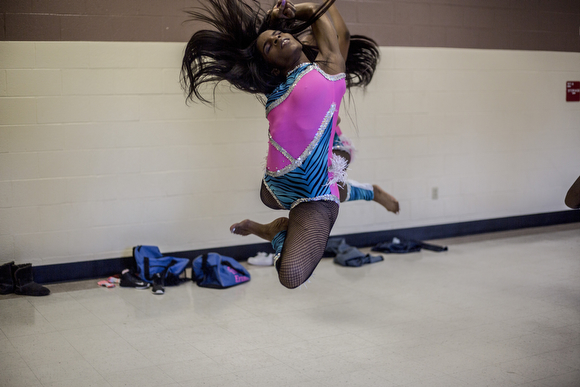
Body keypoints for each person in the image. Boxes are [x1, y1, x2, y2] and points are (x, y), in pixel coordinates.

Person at [182, 0, 348, 289]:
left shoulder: (328, 69)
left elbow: (337, 34)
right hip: (274, 187)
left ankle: (275, 231)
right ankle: (281, 222)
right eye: (269, 45)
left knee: (290, 276)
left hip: (314, 193)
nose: (278, 37)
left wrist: (302, 11)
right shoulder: (276, 88)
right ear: (271, 68)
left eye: (278, 34)